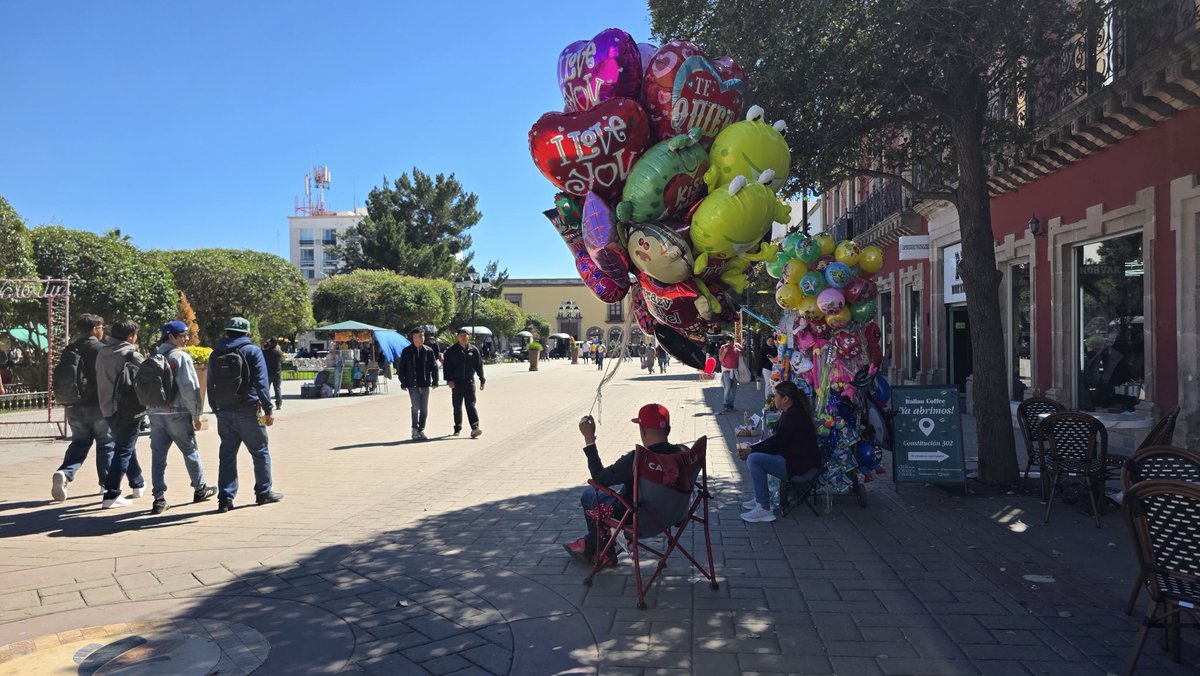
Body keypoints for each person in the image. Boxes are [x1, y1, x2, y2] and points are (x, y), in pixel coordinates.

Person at [563, 404, 685, 568]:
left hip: (635, 521)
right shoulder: (684, 455)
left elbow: (599, 479)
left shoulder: (637, 459)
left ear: (642, 430)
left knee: (590, 494)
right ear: (668, 430)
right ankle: (594, 545)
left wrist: (589, 440)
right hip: (672, 516)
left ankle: (599, 549)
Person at [208, 317, 282, 512]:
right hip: (250, 409)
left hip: (224, 410)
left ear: (227, 332)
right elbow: (261, 383)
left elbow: (209, 383)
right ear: (247, 333)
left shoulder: (216, 353)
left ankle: (225, 498)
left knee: (227, 454)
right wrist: (268, 409)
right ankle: (263, 492)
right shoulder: (253, 351)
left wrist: (215, 408)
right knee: (260, 451)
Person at [50, 314, 126, 502]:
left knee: (80, 442)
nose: (103, 330)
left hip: (74, 405)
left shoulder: (70, 348)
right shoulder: (101, 349)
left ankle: (65, 472)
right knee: (106, 444)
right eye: (101, 327)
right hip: (98, 404)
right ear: (95, 329)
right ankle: (106, 485)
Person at [147, 321, 216, 514]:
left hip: (155, 413)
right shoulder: (181, 357)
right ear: (171, 337)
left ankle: (159, 499)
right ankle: (200, 488)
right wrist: (196, 414)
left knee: (158, 458)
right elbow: (189, 388)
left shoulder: (154, 356)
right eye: (182, 335)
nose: (186, 338)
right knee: (190, 450)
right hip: (177, 413)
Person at [736, 381, 822, 523]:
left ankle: (763, 507)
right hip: (796, 463)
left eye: (776, 395)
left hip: (801, 468)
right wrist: (753, 448)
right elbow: (776, 440)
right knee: (755, 456)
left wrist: (752, 451)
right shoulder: (791, 413)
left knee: (754, 459)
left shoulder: (794, 416)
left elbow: (777, 445)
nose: (773, 398)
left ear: (785, 398)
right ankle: (761, 498)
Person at [96, 319, 148, 508]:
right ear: (130, 336)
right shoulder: (131, 354)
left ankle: (137, 483)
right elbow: (148, 376)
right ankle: (112, 493)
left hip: (106, 408)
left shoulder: (102, 352)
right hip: (127, 409)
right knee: (124, 449)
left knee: (125, 445)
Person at [443, 328, 486, 438]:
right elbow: (446, 367)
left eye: (465, 335)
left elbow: (479, 365)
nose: (463, 337)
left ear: (468, 337)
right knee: (457, 406)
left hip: (469, 382)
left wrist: (482, 379)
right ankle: (457, 428)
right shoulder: (451, 351)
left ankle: (475, 428)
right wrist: (449, 380)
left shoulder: (474, 350)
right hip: (456, 383)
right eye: (461, 335)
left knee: (471, 405)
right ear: (458, 337)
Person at [399, 327, 439, 441]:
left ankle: (421, 429)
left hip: (425, 384)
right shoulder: (406, 351)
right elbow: (401, 368)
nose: (422, 338)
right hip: (413, 385)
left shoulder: (428, 351)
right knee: (416, 407)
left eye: (423, 336)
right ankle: (414, 429)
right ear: (414, 337)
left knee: (424, 409)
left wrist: (435, 381)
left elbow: (434, 367)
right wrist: (403, 382)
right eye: (420, 336)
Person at [719, 335, 743, 412]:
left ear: (733, 340)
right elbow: (720, 359)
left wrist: (739, 351)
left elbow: (744, 355)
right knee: (728, 386)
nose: (729, 343)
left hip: (735, 371)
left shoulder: (737, 346)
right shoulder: (723, 347)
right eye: (728, 341)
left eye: (731, 341)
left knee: (734, 388)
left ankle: (731, 404)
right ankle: (725, 403)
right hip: (726, 370)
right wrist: (725, 351)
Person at [757, 336, 781, 406]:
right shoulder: (764, 349)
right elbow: (760, 362)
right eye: (769, 341)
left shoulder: (775, 348)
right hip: (767, 369)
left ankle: (774, 400)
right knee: (768, 384)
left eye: (772, 341)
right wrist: (758, 374)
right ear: (766, 341)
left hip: (775, 368)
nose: (770, 342)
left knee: (774, 384)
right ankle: (768, 401)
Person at [263, 338, 284, 410]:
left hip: (268, 373)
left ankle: (268, 403)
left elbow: (263, 351)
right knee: (277, 389)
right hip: (277, 373)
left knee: (266, 389)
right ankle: (279, 403)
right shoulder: (279, 352)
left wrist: (266, 346)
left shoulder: (266, 352)